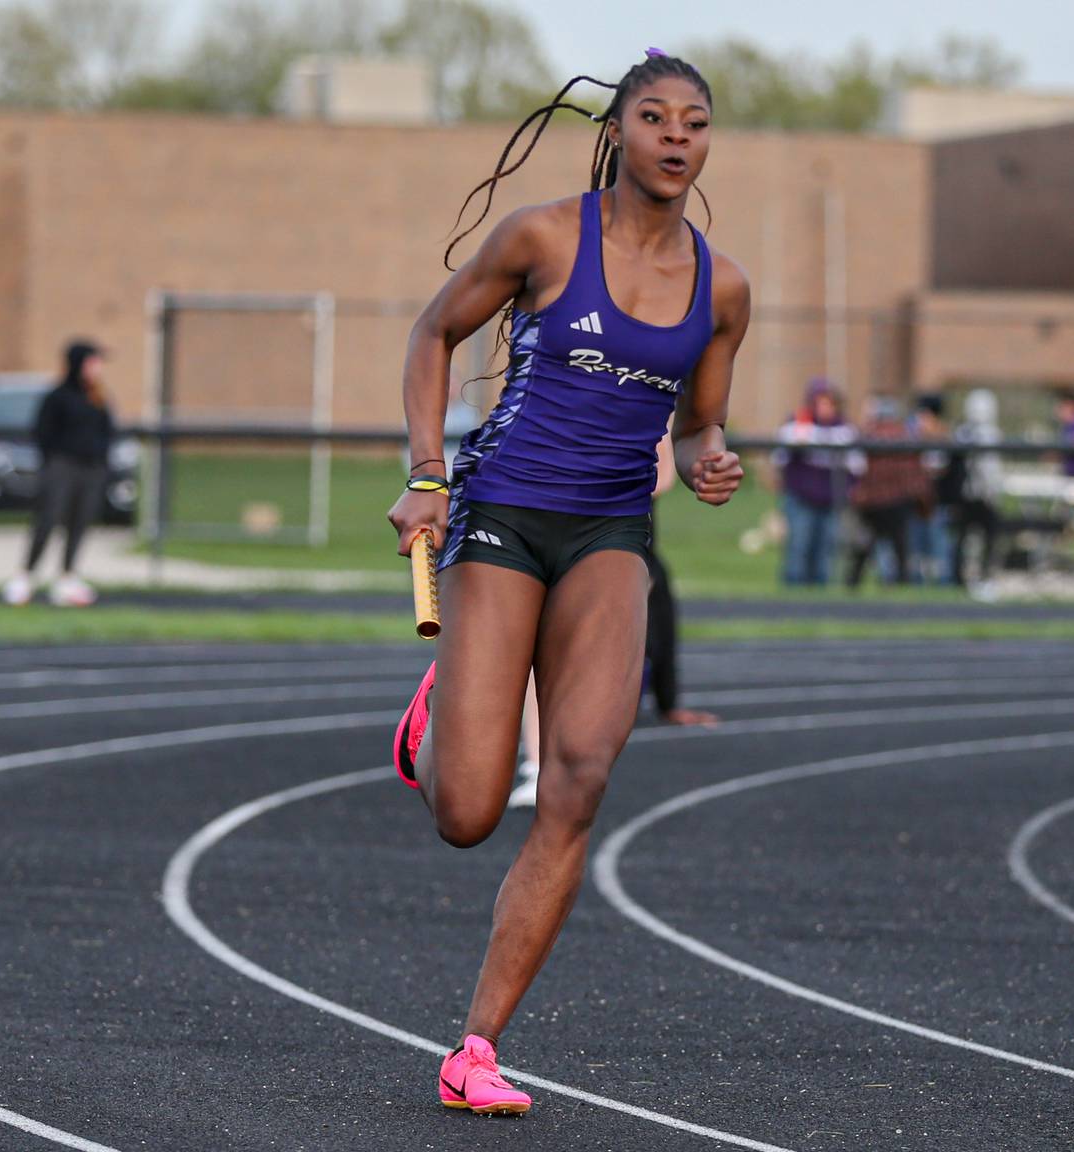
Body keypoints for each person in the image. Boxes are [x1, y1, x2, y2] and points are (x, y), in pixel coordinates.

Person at [386, 51, 749, 1115]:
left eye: (695, 122)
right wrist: (425, 472)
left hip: (609, 535)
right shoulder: (545, 236)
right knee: (467, 813)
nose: (677, 137)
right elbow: (434, 332)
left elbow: (699, 424)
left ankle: (476, 1050)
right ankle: (443, 705)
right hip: (502, 514)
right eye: (655, 118)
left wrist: (710, 458)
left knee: (582, 778)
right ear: (620, 132)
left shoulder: (721, 287)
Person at [508, 436, 717, 810]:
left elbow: (664, 476)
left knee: (611, 650)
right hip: (554, 536)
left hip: (619, 546)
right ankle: (537, 765)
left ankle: (572, 763)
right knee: (539, 648)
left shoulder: (645, 402)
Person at [1, 340, 114, 607]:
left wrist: (100, 460)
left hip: (91, 469)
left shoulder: (98, 396)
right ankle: (25, 576)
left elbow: (107, 431)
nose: (97, 368)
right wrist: (55, 461)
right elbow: (43, 433)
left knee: (80, 523)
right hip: (62, 466)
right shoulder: (58, 396)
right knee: (48, 519)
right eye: (93, 362)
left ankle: (67, 577)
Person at [774, 378, 858, 585]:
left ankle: (820, 596)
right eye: (820, 402)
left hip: (830, 500)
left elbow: (856, 465)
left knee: (826, 549)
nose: (824, 407)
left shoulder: (845, 429)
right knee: (799, 546)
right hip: (801, 498)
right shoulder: (797, 423)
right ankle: (793, 589)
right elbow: (780, 457)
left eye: (829, 402)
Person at [843, 396, 930, 588]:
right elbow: (916, 471)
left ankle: (852, 583)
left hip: (873, 502)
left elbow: (855, 468)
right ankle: (900, 583)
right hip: (896, 501)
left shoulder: (869, 434)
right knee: (899, 547)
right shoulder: (905, 435)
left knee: (866, 546)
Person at [945, 388, 1005, 599]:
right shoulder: (972, 434)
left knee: (969, 539)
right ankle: (977, 578)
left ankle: (968, 578)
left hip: (969, 496)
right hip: (976, 495)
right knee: (978, 538)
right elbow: (989, 469)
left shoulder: (963, 432)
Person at [906, 393, 951, 583]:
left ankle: (943, 581)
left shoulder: (944, 437)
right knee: (914, 545)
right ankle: (915, 580)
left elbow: (941, 468)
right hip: (914, 500)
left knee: (938, 544)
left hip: (937, 501)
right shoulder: (910, 435)